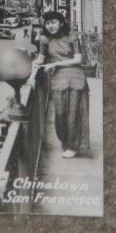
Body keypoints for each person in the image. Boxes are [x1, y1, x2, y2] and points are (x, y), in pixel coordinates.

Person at [34, 11, 90, 158]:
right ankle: (66, 143)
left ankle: (73, 146)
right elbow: (40, 59)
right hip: (58, 79)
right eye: (47, 23)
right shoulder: (45, 39)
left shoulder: (71, 36)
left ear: (61, 22)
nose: (50, 26)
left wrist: (56, 63)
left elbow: (78, 59)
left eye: (53, 22)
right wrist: (29, 63)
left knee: (75, 114)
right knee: (60, 115)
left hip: (75, 77)